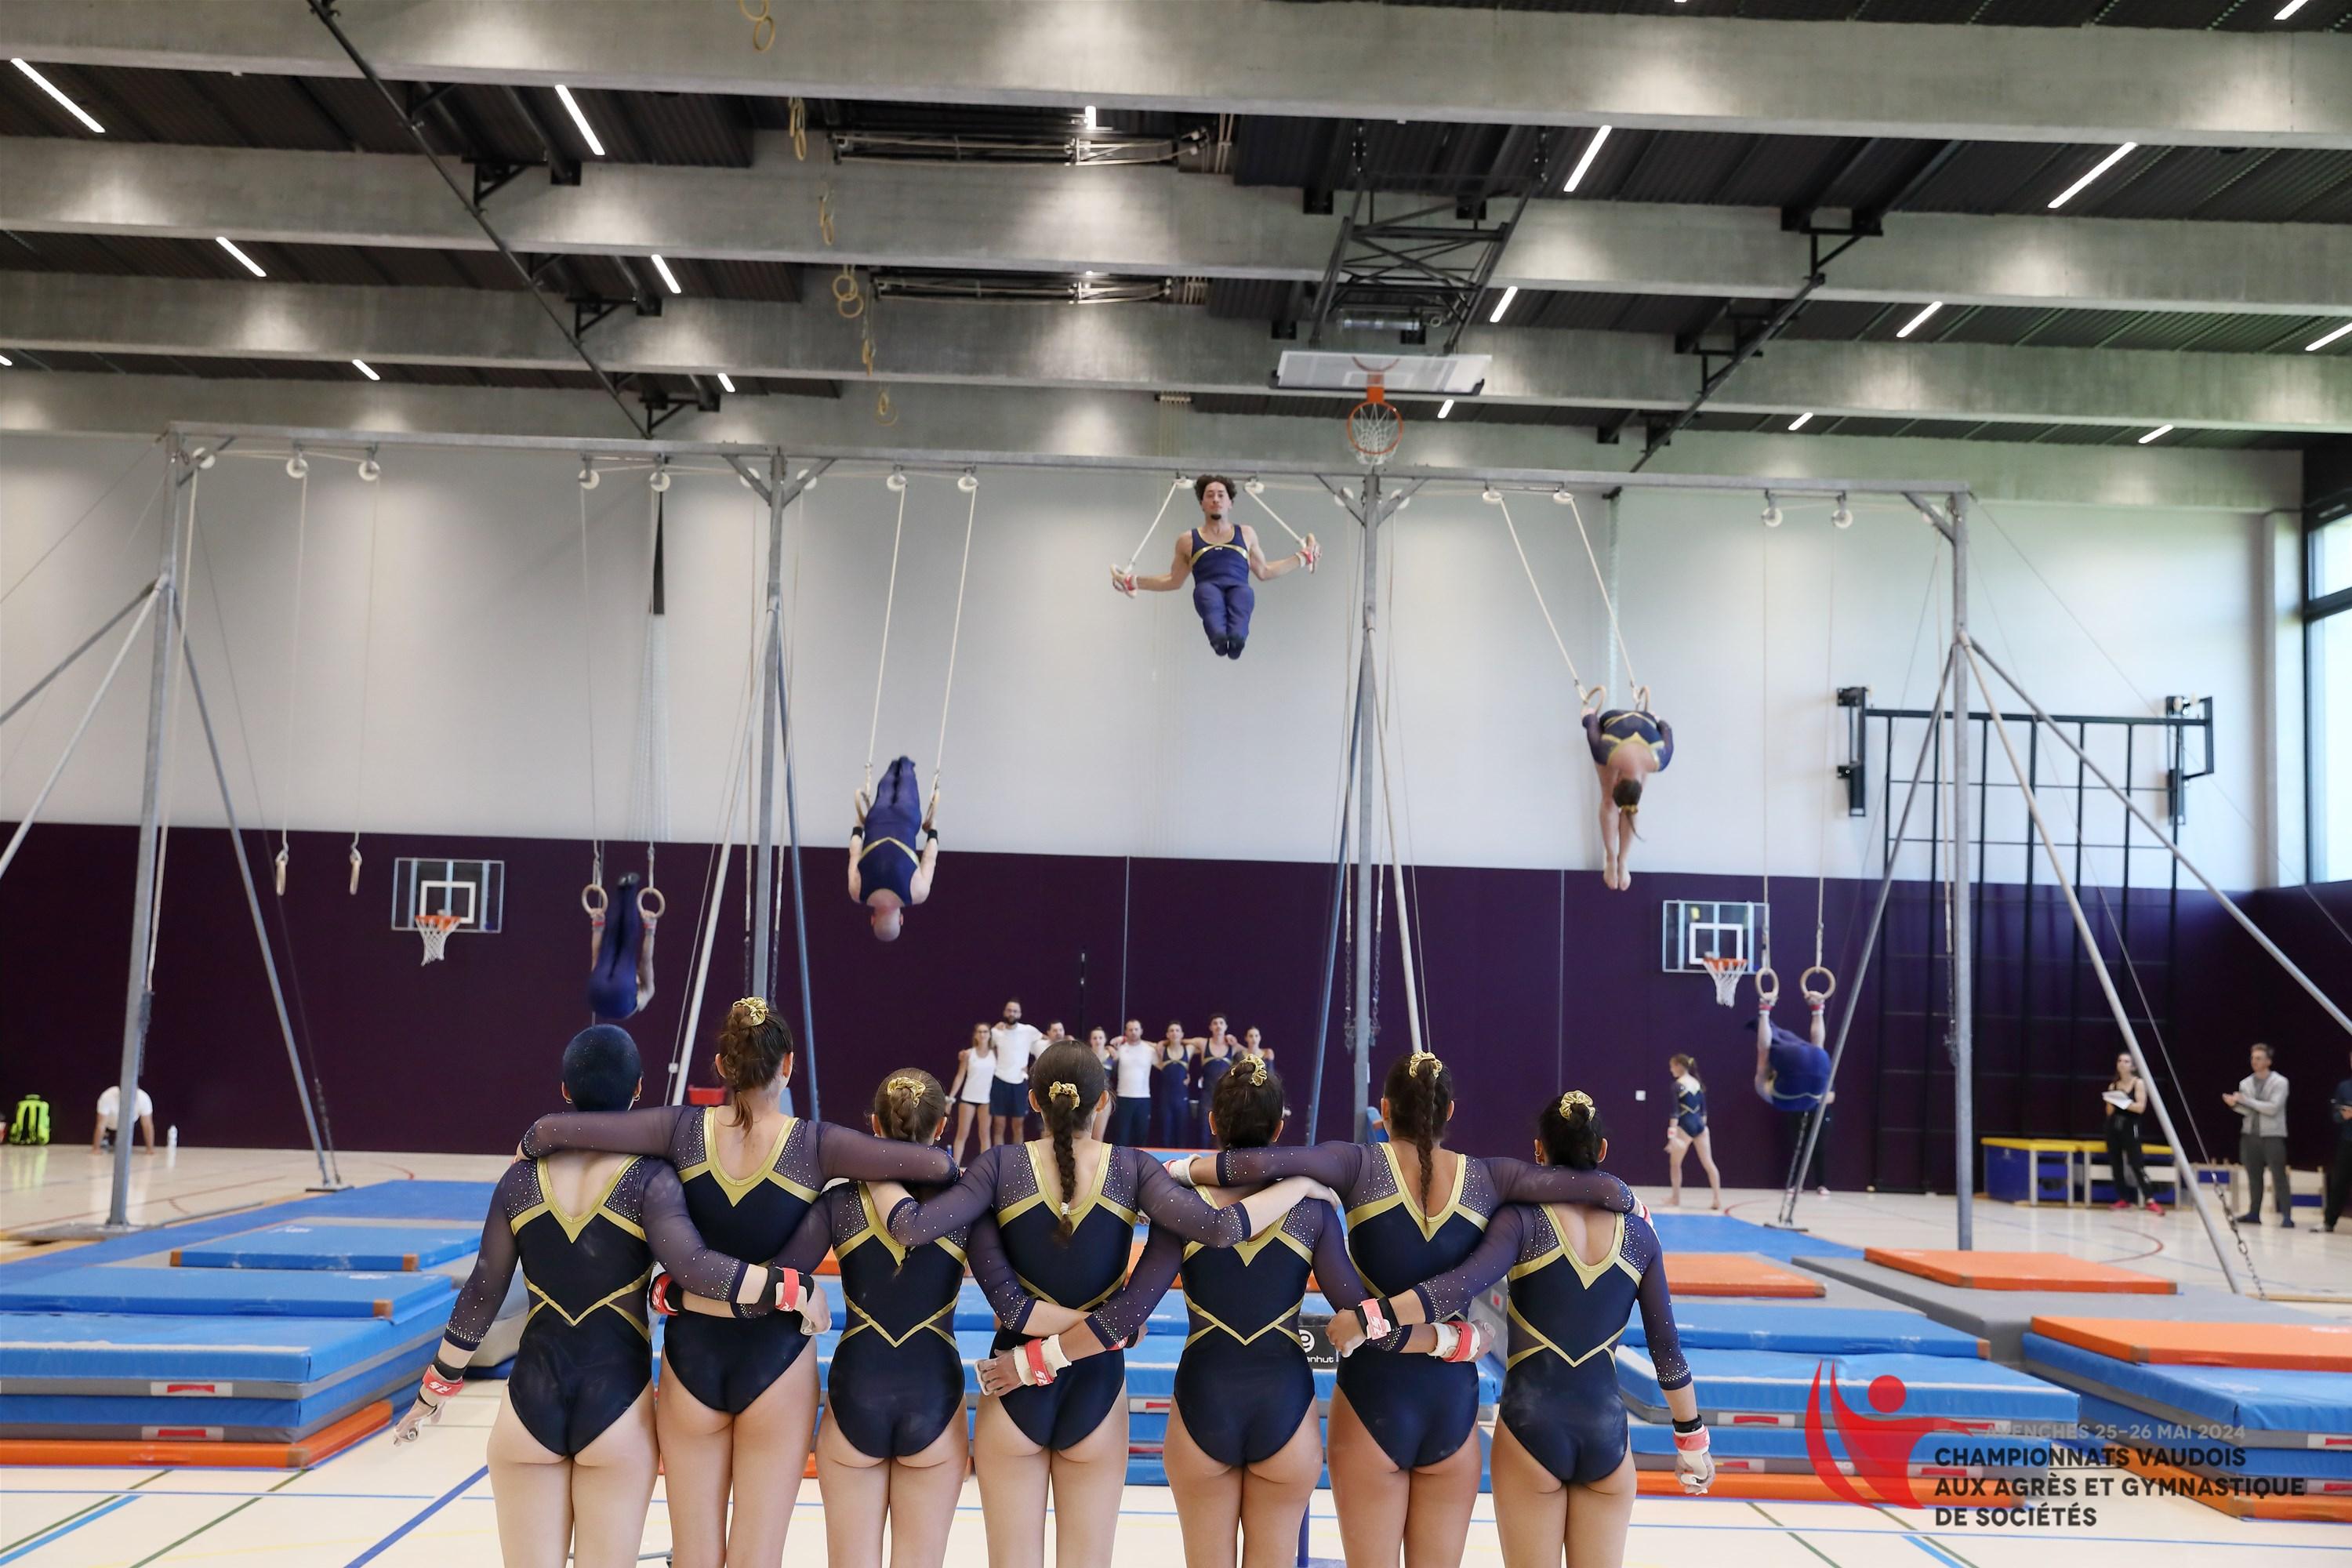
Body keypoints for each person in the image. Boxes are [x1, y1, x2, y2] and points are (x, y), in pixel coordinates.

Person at [512, 998, 956, 1568]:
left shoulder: (679, 1129)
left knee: (695, 1555)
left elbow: (573, 1128)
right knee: (756, 1556)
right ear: (788, 1064)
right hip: (776, 1363)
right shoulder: (816, 1144)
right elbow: (934, 1166)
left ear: (721, 1065)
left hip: (692, 1359)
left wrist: (537, 1136)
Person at [866, 1042, 1336, 1568]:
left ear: (1034, 1101)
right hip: (1097, 1386)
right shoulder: (1133, 1169)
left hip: (1013, 1383)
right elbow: (1220, 1229)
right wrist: (1298, 1184)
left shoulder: (997, 1166)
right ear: (1105, 1101)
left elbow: (1004, 1300)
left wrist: (1052, 1351)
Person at [1169, 1050, 1642, 1568]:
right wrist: (1623, 1195)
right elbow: (1582, 1183)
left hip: (1372, 1397)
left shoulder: (1358, 1164)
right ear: (1450, 1111)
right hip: (1450, 1404)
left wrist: (1183, 1168)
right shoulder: (1489, 1177)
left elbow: (1260, 1164)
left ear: (1386, 1109)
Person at [975, 1057, 1428, 1568]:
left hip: (1202, 1407)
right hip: (1283, 1407)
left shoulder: (1179, 1207)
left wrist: (1036, 1359)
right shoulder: (1313, 1211)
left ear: (1212, 1122)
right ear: (1279, 1128)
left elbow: (1126, 1314)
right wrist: (1446, 1339)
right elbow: (1364, 1315)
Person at [394, 1025, 817, 1568]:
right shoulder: (650, 1180)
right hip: (615, 1415)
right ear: (639, 1089)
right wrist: (789, 1287)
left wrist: (436, 1387)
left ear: (565, 1090)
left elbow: (482, 1292)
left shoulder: (519, 1181)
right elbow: (694, 1268)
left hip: (527, 1410)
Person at [1329, 1091, 1711, 1568]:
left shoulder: (1522, 1221)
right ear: (1602, 1149)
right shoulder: (1640, 1235)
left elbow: (1456, 1287)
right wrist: (1692, 1440)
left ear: (1538, 1151)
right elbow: (1667, 1350)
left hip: (1532, 1431)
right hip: (1606, 1435)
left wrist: (1375, 1315)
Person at [675, 1069, 1019, 1568]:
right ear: (943, 1126)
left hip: (855, 1401)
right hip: (934, 1401)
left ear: (874, 1126)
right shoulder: (966, 1208)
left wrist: (678, 1293)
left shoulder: (840, 1202)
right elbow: (1013, 1305)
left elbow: (770, 1286)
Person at [1111, 475, 1317, 659]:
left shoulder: (1246, 534)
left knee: (1243, 598)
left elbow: (1264, 571)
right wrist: (1133, 581)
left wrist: (1302, 558)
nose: (1216, 500)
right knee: (1207, 596)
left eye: (1221, 495)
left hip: (1239, 588)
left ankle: (1237, 640)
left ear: (1230, 503)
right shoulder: (1187, 540)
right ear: (1202, 504)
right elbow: (1173, 580)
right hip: (1207, 588)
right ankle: (1218, 639)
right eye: (1210, 496)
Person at [1582, 691, 1671, 892]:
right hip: (1615, 728)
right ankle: (1611, 858)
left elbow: (1590, 724)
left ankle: (1622, 860)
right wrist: (1589, 717)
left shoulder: (1660, 761)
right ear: (1616, 782)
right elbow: (1593, 725)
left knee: (1627, 804)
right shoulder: (1607, 753)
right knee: (1609, 800)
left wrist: (1588, 716)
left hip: (1638, 736)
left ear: (1617, 782)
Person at [1750, 989, 1835, 1196]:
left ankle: (1769, 1011)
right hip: (1812, 1081)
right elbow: (1763, 1051)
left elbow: (1763, 1052)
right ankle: (1817, 1009)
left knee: (1814, 1048)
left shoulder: (1774, 1092)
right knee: (1815, 1047)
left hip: (1800, 1093)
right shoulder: (1770, 1088)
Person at [849, 756, 938, 942]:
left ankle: (906, 764)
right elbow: (854, 853)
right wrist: (858, 827)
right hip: (877, 821)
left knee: (907, 774)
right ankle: (893, 766)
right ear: (872, 920)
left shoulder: (918, 893)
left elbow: (930, 858)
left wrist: (932, 832)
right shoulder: (857, 892)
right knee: (888, 782)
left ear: (901, 920)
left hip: (907, 820)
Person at [2225, 1043, 2292, 1226]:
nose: (2254, 1061)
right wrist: (2235, 1105)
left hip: (2272, 1135)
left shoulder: (2280, 1082)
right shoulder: (2246, 1083)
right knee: (2254, 1176)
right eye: (2253, 1058)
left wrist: (2247, 1101)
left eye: (2259, 1058)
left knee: (2278, 1175)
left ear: (2268, 1061)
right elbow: (2248, 1111)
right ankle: (2254, 1213)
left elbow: (2273, 1108)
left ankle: (2287, 1215)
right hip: (2250, 1135)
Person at [585, 873, 655, 1021]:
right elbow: (596, 957)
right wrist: (597, 926)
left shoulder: (648, 990)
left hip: (620, 996)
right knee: (610, 944)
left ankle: (628, 888)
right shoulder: (636, 987)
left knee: (627, 947)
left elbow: (646, 960)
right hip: (596, 996)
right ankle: (623, 888)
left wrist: (650, 930)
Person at [2102, 1052, 2163, 1215]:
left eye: (2126, 1061)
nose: (2122, 1063)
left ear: (2133, 1066)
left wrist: (2122, 1102)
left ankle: (2150, 1199)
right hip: (2114, 1127)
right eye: (2120, 1060)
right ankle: (2123, 1198)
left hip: (2130, 1127)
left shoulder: (2138, 1083)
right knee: (2116, 1164)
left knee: (2136, 1163)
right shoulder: (2113, 1086)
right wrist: (2110, 1101)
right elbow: (2109, 1112)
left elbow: (2140, 1107)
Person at [1664, 1054, 1721, 1210]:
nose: (1671, 1070)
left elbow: (1675, 1114)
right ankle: (1717, 1199)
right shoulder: (1697, 1084)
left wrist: (1672, 1138)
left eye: (1672, 1067)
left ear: (1678, 1066)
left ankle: (1675, 1198)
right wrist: (1701, 1129)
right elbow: (1704, 1112)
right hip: (1701, 1127)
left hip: (1684, 1127)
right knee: (1709, 1163)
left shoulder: (1677, 1085)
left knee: (1675, 1164)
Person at [991, 998, 1044, 1149]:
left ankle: (1017, 1160)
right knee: (999, 1125)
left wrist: (1065, 1038)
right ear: (1004, 1012)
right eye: (1009, 1010)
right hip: (1000, 1080)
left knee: (1018, 1126)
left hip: (1020, 1083)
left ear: (1020, 1014)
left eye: (1015, 1011)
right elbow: (987, 1048)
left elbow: (1047, 1041)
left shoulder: (1029, 1031)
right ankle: (998, 1159)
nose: (1012, 1013)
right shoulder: (995, 1032)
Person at [946, 1022, 996, 1163]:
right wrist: (950, 1098)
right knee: (962, 1133)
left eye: (985, 1032)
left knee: (985, 1134)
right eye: (980, 1032)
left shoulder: (995, 1054)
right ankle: (955, 1166)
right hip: (968, 1098)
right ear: (975, 1035)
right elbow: (960, 1076)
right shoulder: (968, 1054)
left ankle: (986, 1168)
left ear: (990, 1035)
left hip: (986, 1100)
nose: (982, 1034)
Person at [1109, 1020, 1156, 1147]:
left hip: (1143, 1098)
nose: (1133, 1032)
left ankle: (1140, 1160)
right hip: (1123, 1097)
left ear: (1141, 1031)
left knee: (1141, 1136)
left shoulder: (1149, 1050)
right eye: (1130, 1030)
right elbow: (1110, 1047)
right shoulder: (1120, 1049)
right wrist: (1119, 1041)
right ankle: (1121, 1160)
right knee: (1121, 1136)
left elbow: (1165, 1065)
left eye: (1136, 1029)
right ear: (1126, 1032)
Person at [1192, 1014, 1236, 1145]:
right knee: (1204, 1133)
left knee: (1225, 1134)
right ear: (1210, 1027)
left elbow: (1251, 1050)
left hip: (1225, 1097)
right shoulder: (1203, 1043)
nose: (1218, 1026)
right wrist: (1163, 1043)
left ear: (1226, 1027)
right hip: (1207, 1096)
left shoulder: (1233, 1046)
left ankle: (1223, 1158)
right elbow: (1179, 1041)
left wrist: (1267, 1051)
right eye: (1215, 1023)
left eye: (1221, 1023)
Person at [2322, 1046, 2352, 1234]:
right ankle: (2329, 1222)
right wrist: (2343, 1116)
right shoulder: (2344, 1087)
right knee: (2339, 1181)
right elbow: (2335, 1114)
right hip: (2348, 1140)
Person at [1154, 1024, 1194, 1146]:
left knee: (1182, 1134)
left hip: (1182, 1098)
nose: (1174, 1033)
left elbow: (1202, 1043)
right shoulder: (1162, 1050)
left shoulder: (1189, 1049)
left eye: (1177, 1031)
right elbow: (1143, 1043)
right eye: (1171, 1031)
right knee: (1166, 1134)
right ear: (1167, 1035)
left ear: (1182, 1034)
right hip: (1166, 1098)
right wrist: (1162, 1043)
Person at [91, 1083, 154, 1155]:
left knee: (122, 1148)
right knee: (102, 1131)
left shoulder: (144, 1098)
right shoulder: (107, 1096)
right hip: (109, 1124)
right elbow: (101, 1125)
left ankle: (118, 1140)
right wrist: (96, 1148)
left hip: (128, 1124)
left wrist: (150, 1149)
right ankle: (105, 1138)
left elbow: (147, 1125)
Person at [1087, 1027, 1117, 1140]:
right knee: (1085, 1136)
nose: (1098, 1041)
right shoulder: (1085, 1055)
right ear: (1090, 1040)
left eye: (1100, 1038)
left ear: (1105, 1040)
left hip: (1104, 1098)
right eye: (1095, 1038)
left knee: (1098, 1137)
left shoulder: (1112, 1057)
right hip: (1087, 1098)